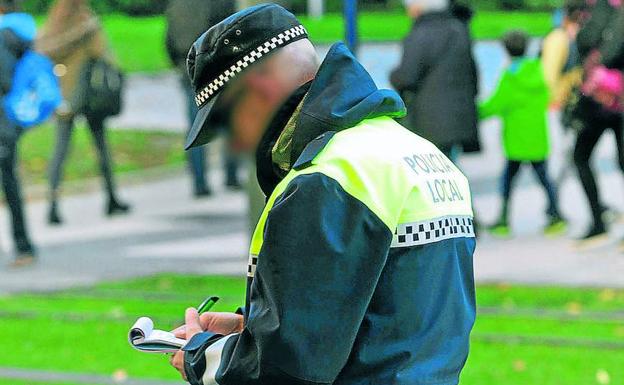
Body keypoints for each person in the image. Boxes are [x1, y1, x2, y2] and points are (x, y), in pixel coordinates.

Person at [168, 4, 476, 385]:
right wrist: (252, 330)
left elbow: (292, 366)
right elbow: (381, 310)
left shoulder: (325, 178)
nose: (236, 139)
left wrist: (204, 356)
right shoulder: (418, 154)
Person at [36, 0, 129, 225]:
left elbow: (42, 50)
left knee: (60, 150)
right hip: (89, 94)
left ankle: (53, 204)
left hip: (65, 94)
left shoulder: (53, 23)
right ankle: (111, 197)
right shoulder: (86, 21)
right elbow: (100, 52)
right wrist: (86, 33)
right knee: (101, 147)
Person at [480, 30, 567, 237]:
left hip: (516, 140)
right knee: (544, 178)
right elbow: (548, 96)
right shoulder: (538, 71)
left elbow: (495, 104)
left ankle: (503, 220)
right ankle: (556, 215)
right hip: (537, 137)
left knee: (508, 180)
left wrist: (473, 113)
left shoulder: (511, 76)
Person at [166, 0, 242, 197]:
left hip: (188, 70)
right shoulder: (218, 4)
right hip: (216, 68)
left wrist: (179, 63)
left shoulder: (176, 6)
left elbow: (169, 41)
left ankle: (200, 183)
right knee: (229, 122)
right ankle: (231, 175)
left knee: (195, 126)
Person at [390, 0, 479, 162]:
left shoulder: (421, 33)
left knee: (432, 171)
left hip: (429, 119)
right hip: (457, 117)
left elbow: (407, 77)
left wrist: (393, 75)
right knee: (449, 168)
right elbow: (473, 74)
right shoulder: (459, 28)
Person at [571, 0, 624, 246]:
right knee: (583, 156)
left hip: (601, 98)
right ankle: (597, 220)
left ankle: (598, 220)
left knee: (581, 156)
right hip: (609, 99)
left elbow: (586, 42)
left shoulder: (599, 9)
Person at [0, 1, 36, 266]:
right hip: (10, 123)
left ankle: (24, 245)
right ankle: (23, 245)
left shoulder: (3, 36)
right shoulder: (23, 32)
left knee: (10, 186)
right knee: (11, 185)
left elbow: (4, 79)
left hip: (2, 123)